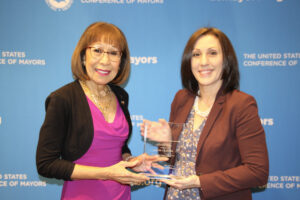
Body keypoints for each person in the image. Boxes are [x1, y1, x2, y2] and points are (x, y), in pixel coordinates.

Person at [36, 22, 167, 200]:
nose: (105, 61)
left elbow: (117, 147)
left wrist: (131, 161)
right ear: (83, 56)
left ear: (121, 61)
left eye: (113, 53)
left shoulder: (121, 95)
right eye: (97, 50)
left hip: (120, 194)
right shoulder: (63, 99)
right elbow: (46, 164)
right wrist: (107, 173)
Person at [141, 27, 269, 200]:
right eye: (196, 54)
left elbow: (257, 172)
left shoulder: (241, 105)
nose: (203, 62)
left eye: (212, 53)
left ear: (226, 59)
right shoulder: (181, 99)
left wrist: (200, 181)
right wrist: (165, 143)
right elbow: (173, 160)